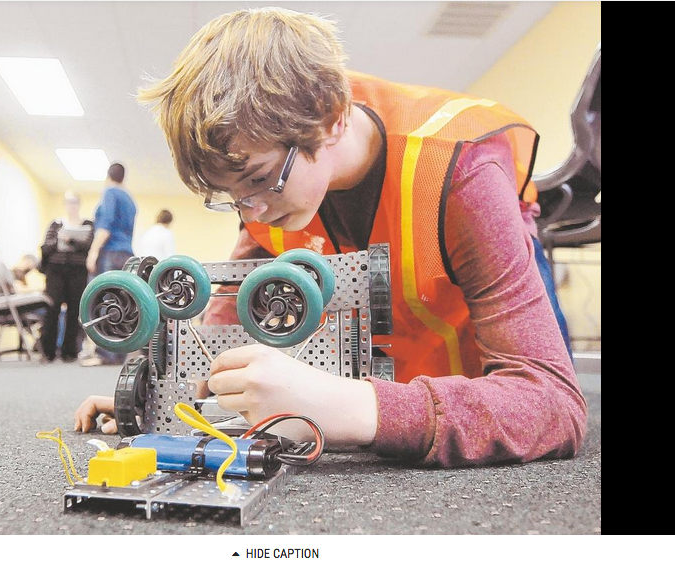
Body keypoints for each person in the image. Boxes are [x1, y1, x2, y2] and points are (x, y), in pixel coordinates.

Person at [75, 8, 586, 469]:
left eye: (256, 180)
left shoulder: (462, 173)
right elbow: (229, 315)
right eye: (228, 196)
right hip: (408, 353)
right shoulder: (264, 181)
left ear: (332, 118)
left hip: (484, 307)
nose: (251, 210)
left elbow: (554, 406)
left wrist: (348, 406)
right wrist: (170, 403)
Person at [81, 163, 138, 366]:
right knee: (122, 303)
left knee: (102, 301)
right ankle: (118, 353)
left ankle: (105, 354)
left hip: (110, 252)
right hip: (126, 254)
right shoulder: (130, 199)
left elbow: (105, 224)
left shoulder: (110, 192)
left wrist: (93, 251)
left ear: (108, 175)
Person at [39, 192, 94, 363]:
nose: (71, 206)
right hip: (56, 271)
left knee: (74, 311)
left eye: (74, 203)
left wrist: (70, 241)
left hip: (78, 272)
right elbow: (46, 247)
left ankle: (70, 351)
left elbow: (88, 246)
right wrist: (59, 240)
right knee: (52, 309)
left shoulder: (88, 224)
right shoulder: (56, 224)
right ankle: (48, 351)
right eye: (68, 202)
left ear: (79, 205)